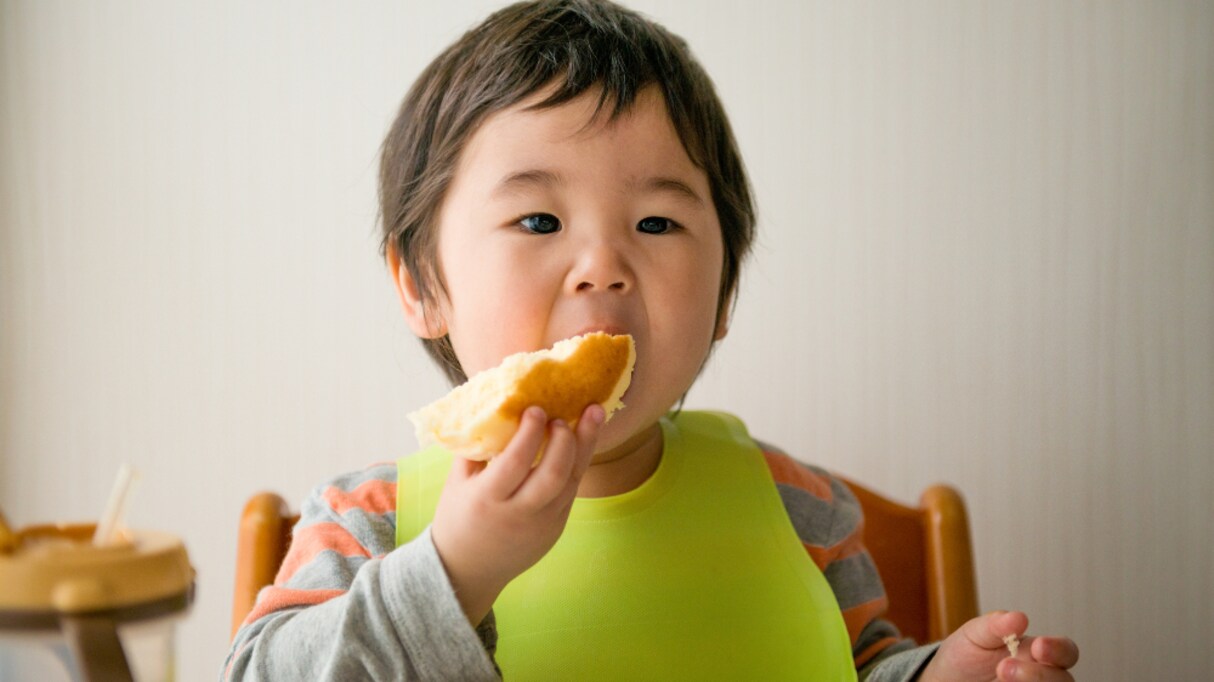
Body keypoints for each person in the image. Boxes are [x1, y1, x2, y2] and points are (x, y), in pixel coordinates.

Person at [223, 1, 1079, 679]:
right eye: (538, 218)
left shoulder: (799, 509)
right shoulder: (370, 524)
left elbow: (849, 666)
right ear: (421, 285)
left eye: (659, 221)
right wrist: (455, 572)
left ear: (724, 297)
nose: (603, 265)